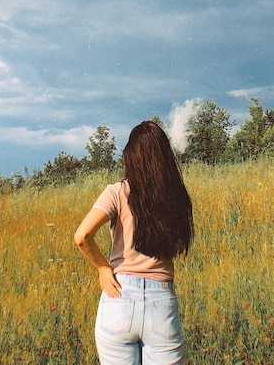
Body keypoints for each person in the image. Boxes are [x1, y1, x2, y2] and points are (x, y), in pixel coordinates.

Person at [74, 120, 194, 364]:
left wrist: (102, 267)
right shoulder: (177, 197)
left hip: (119, 296)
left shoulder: (116, 192)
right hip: (162, 303)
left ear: (131, 157)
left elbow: (82, 236)